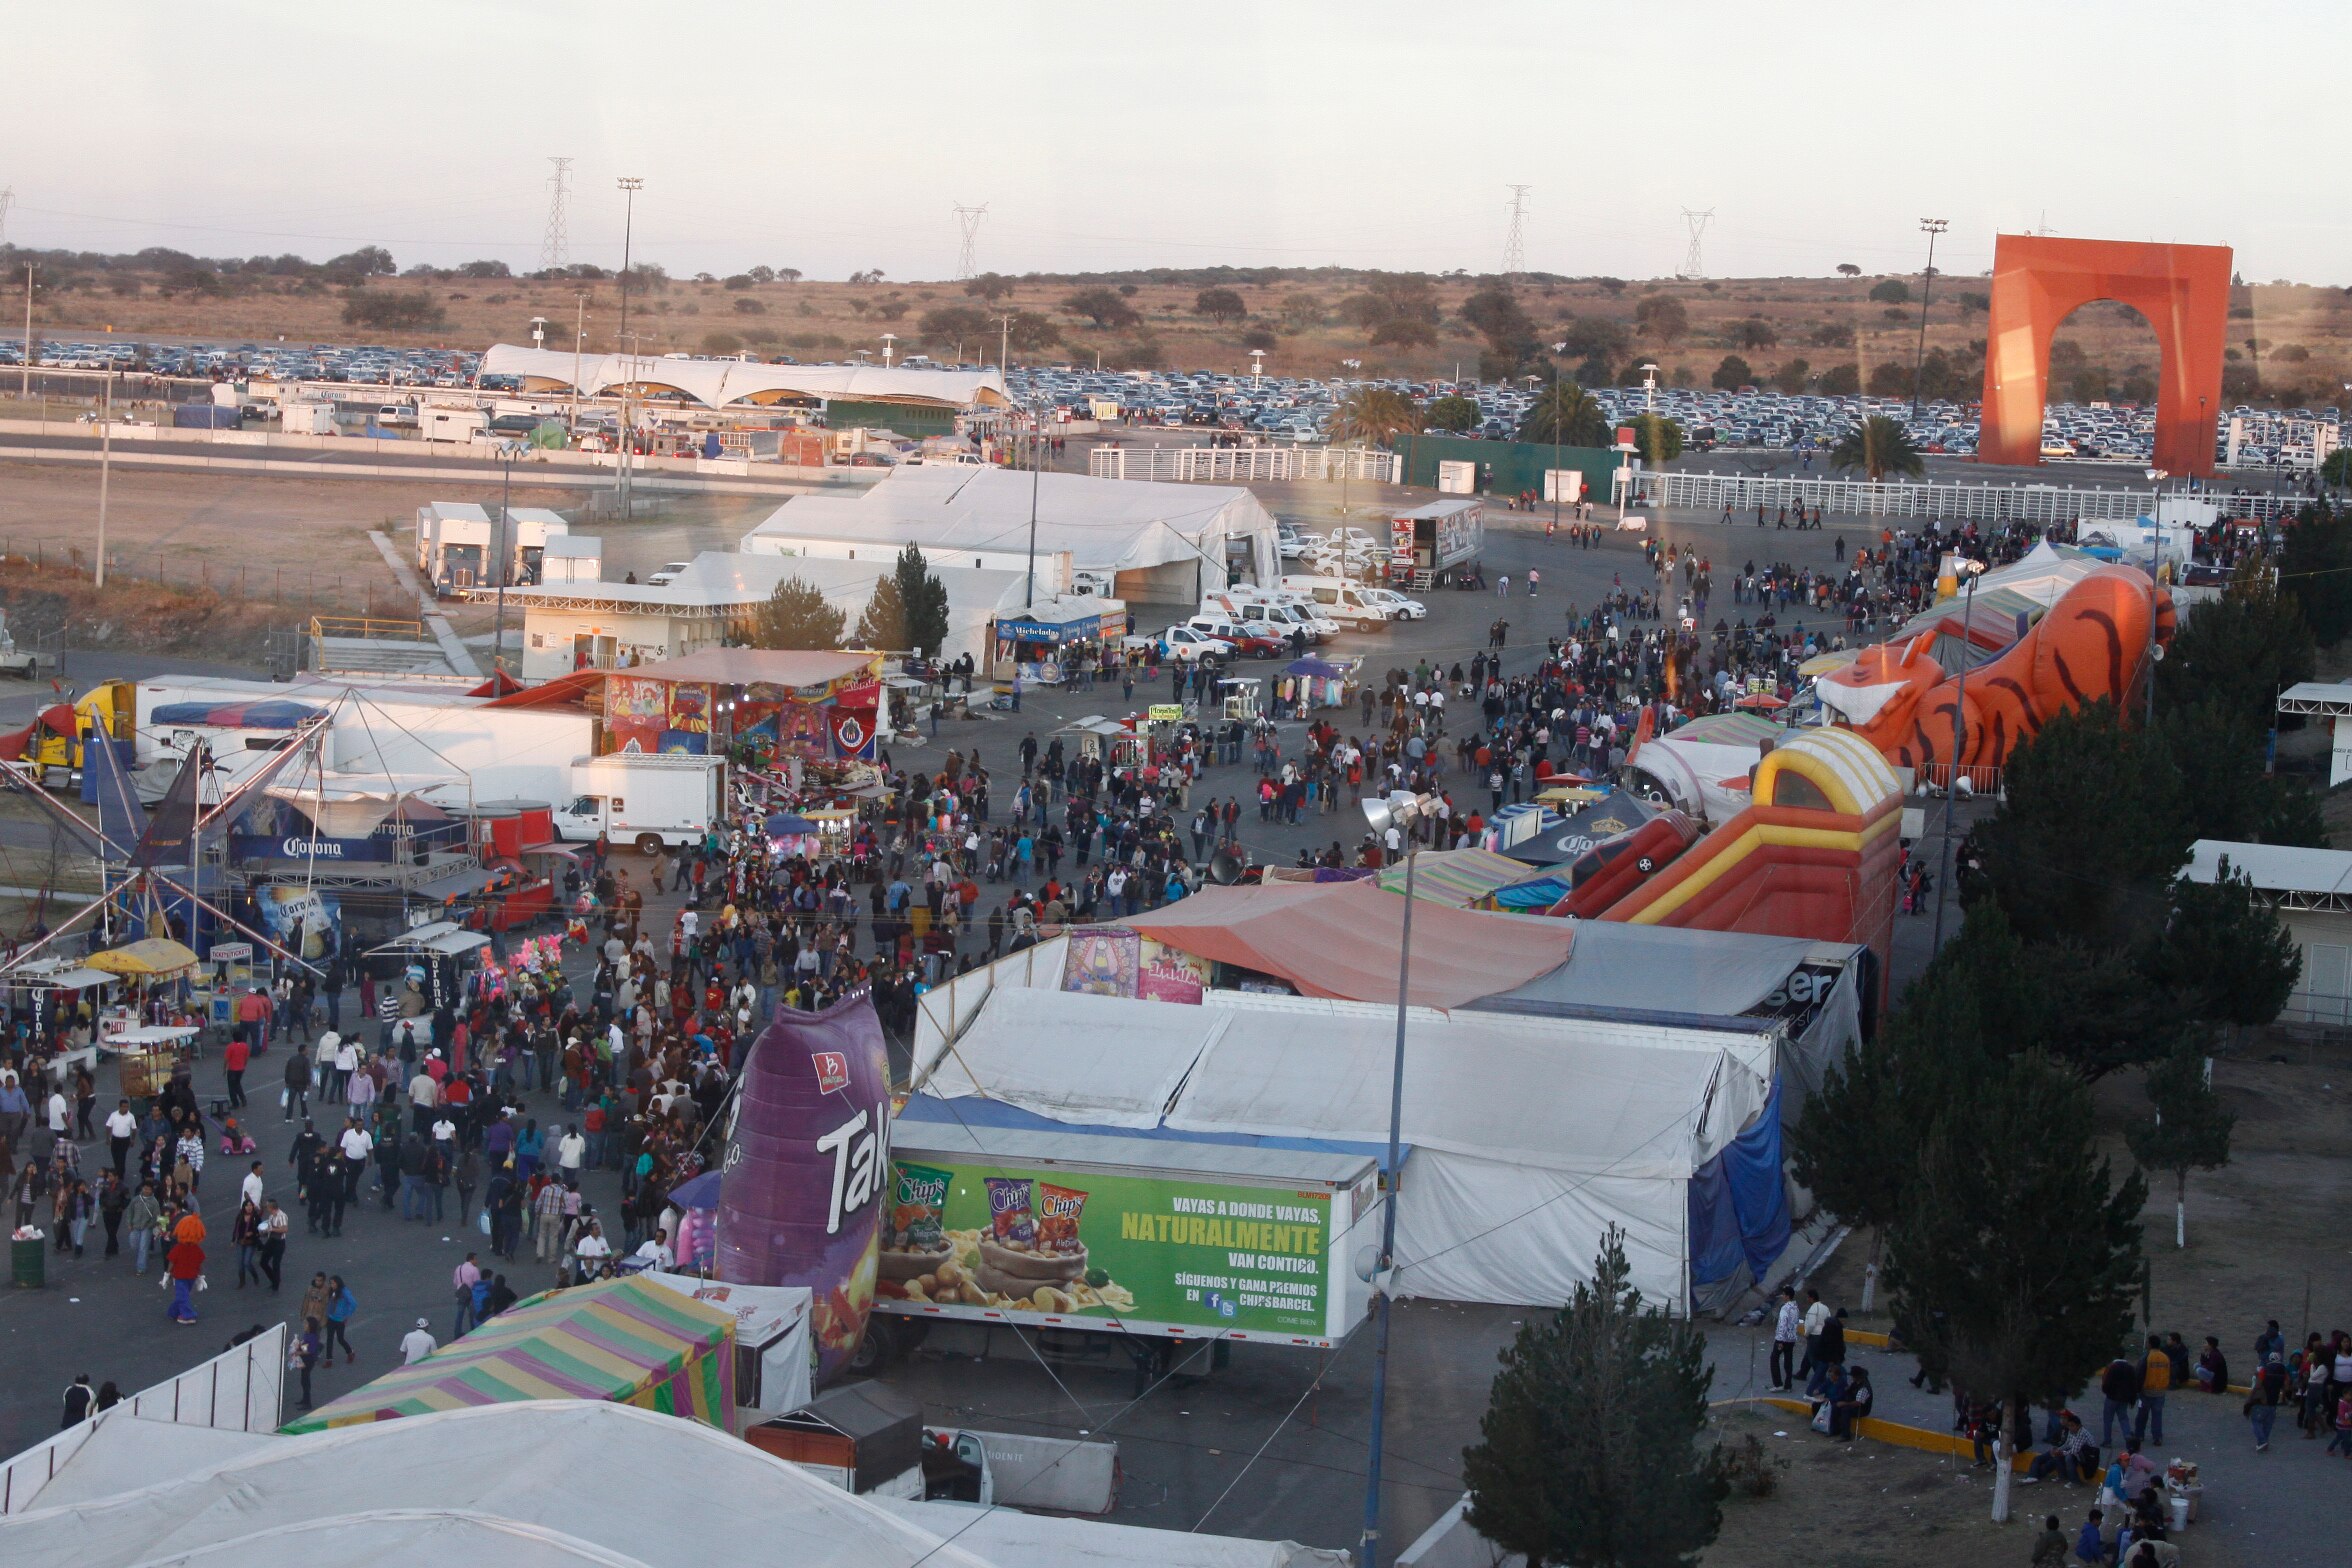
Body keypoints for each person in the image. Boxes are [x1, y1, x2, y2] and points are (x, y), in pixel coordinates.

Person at [2023, 1410, 2094, 1485]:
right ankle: (2032, 1476)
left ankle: (2073, 1481)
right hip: (2068, 1451)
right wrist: (2056, 1449)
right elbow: (2064, 1443)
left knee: (2057, 1460)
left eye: (2064, 1418)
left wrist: (2060, 1452)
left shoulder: (2076, 1430)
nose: (2062, 1420)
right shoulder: (2062, 1428)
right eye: (2061, 1418)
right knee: (2038, 1459)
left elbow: (2074, 1449)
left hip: (2084, 1455)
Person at [2244, 1349, 2288, 1450]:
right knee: (2268, 1423)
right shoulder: (2283, 1371)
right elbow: (2285, 1386)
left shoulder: (2265, 1369)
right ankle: (2264, 1441)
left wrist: (2251, 1397)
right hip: (2273, 1402)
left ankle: (2262, 1441)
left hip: (2262, 1400)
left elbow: (2258, 1385)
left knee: (2256, 1421)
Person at [2133, 1333, 2170, 1445]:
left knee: (2142, 1415)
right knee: (2157, 1416)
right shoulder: (2165, 1357)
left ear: (2149, 1344)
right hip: (2160, 1391)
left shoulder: (2146, 1357)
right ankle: (2157, 1437)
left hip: (2146, 1391)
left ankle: (2139, 1435)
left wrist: (2136, 1390)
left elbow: (2139, 1374)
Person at [2098, 1353, 2140, 1448]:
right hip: (2124, 1398)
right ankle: (2128, 1437)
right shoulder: (2130, 1368)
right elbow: (2134, 1384)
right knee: (2123, 1418)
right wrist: (2132, 1398)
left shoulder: (2111, 1367)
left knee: (2108, 1419)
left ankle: (2107, 1440)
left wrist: (2106, 1391)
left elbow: (2105, 1381)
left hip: (2112, 1397)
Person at [322, 1274, 357, 1367]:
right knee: (329, 1339)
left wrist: (347, 1315)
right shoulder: (332, 1291)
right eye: (330, 1283)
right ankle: (328, 1360)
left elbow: (353, 1303)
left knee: (340, 1339)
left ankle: (350, 1352)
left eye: (333, 1283)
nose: (331, 1285)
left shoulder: (344, 1292)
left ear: (338, 1283)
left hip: (340, 1320)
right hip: (331, 1318)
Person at [1770, 1284, 1800, 1391]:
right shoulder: (1796, 1308)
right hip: (1791, 1339)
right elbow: (1795, 1323)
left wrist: (1780, 1340)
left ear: (1787, 1296)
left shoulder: (1785, 1308)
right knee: (1788, 1361)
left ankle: (1778, 1383)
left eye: (1783, 1294)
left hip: (1782, 1339)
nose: (1782, 1296)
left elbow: (1782, 1324)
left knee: (1774, 1359)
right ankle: (1788, 1385)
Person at [292, 1316, 321, 1410]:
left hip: (309, 1360)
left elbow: (310, 1350)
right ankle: (305, 1400)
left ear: (310, 1325)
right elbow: (305, 1347)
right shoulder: (307, 1334)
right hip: (305, 1359)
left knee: (305, 1381)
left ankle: (307, 1402)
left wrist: (299, 1352)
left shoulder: (312, 1336)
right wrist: (299, 1346)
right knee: (304, 1380)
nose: (304, 1325)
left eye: (305, 1323)